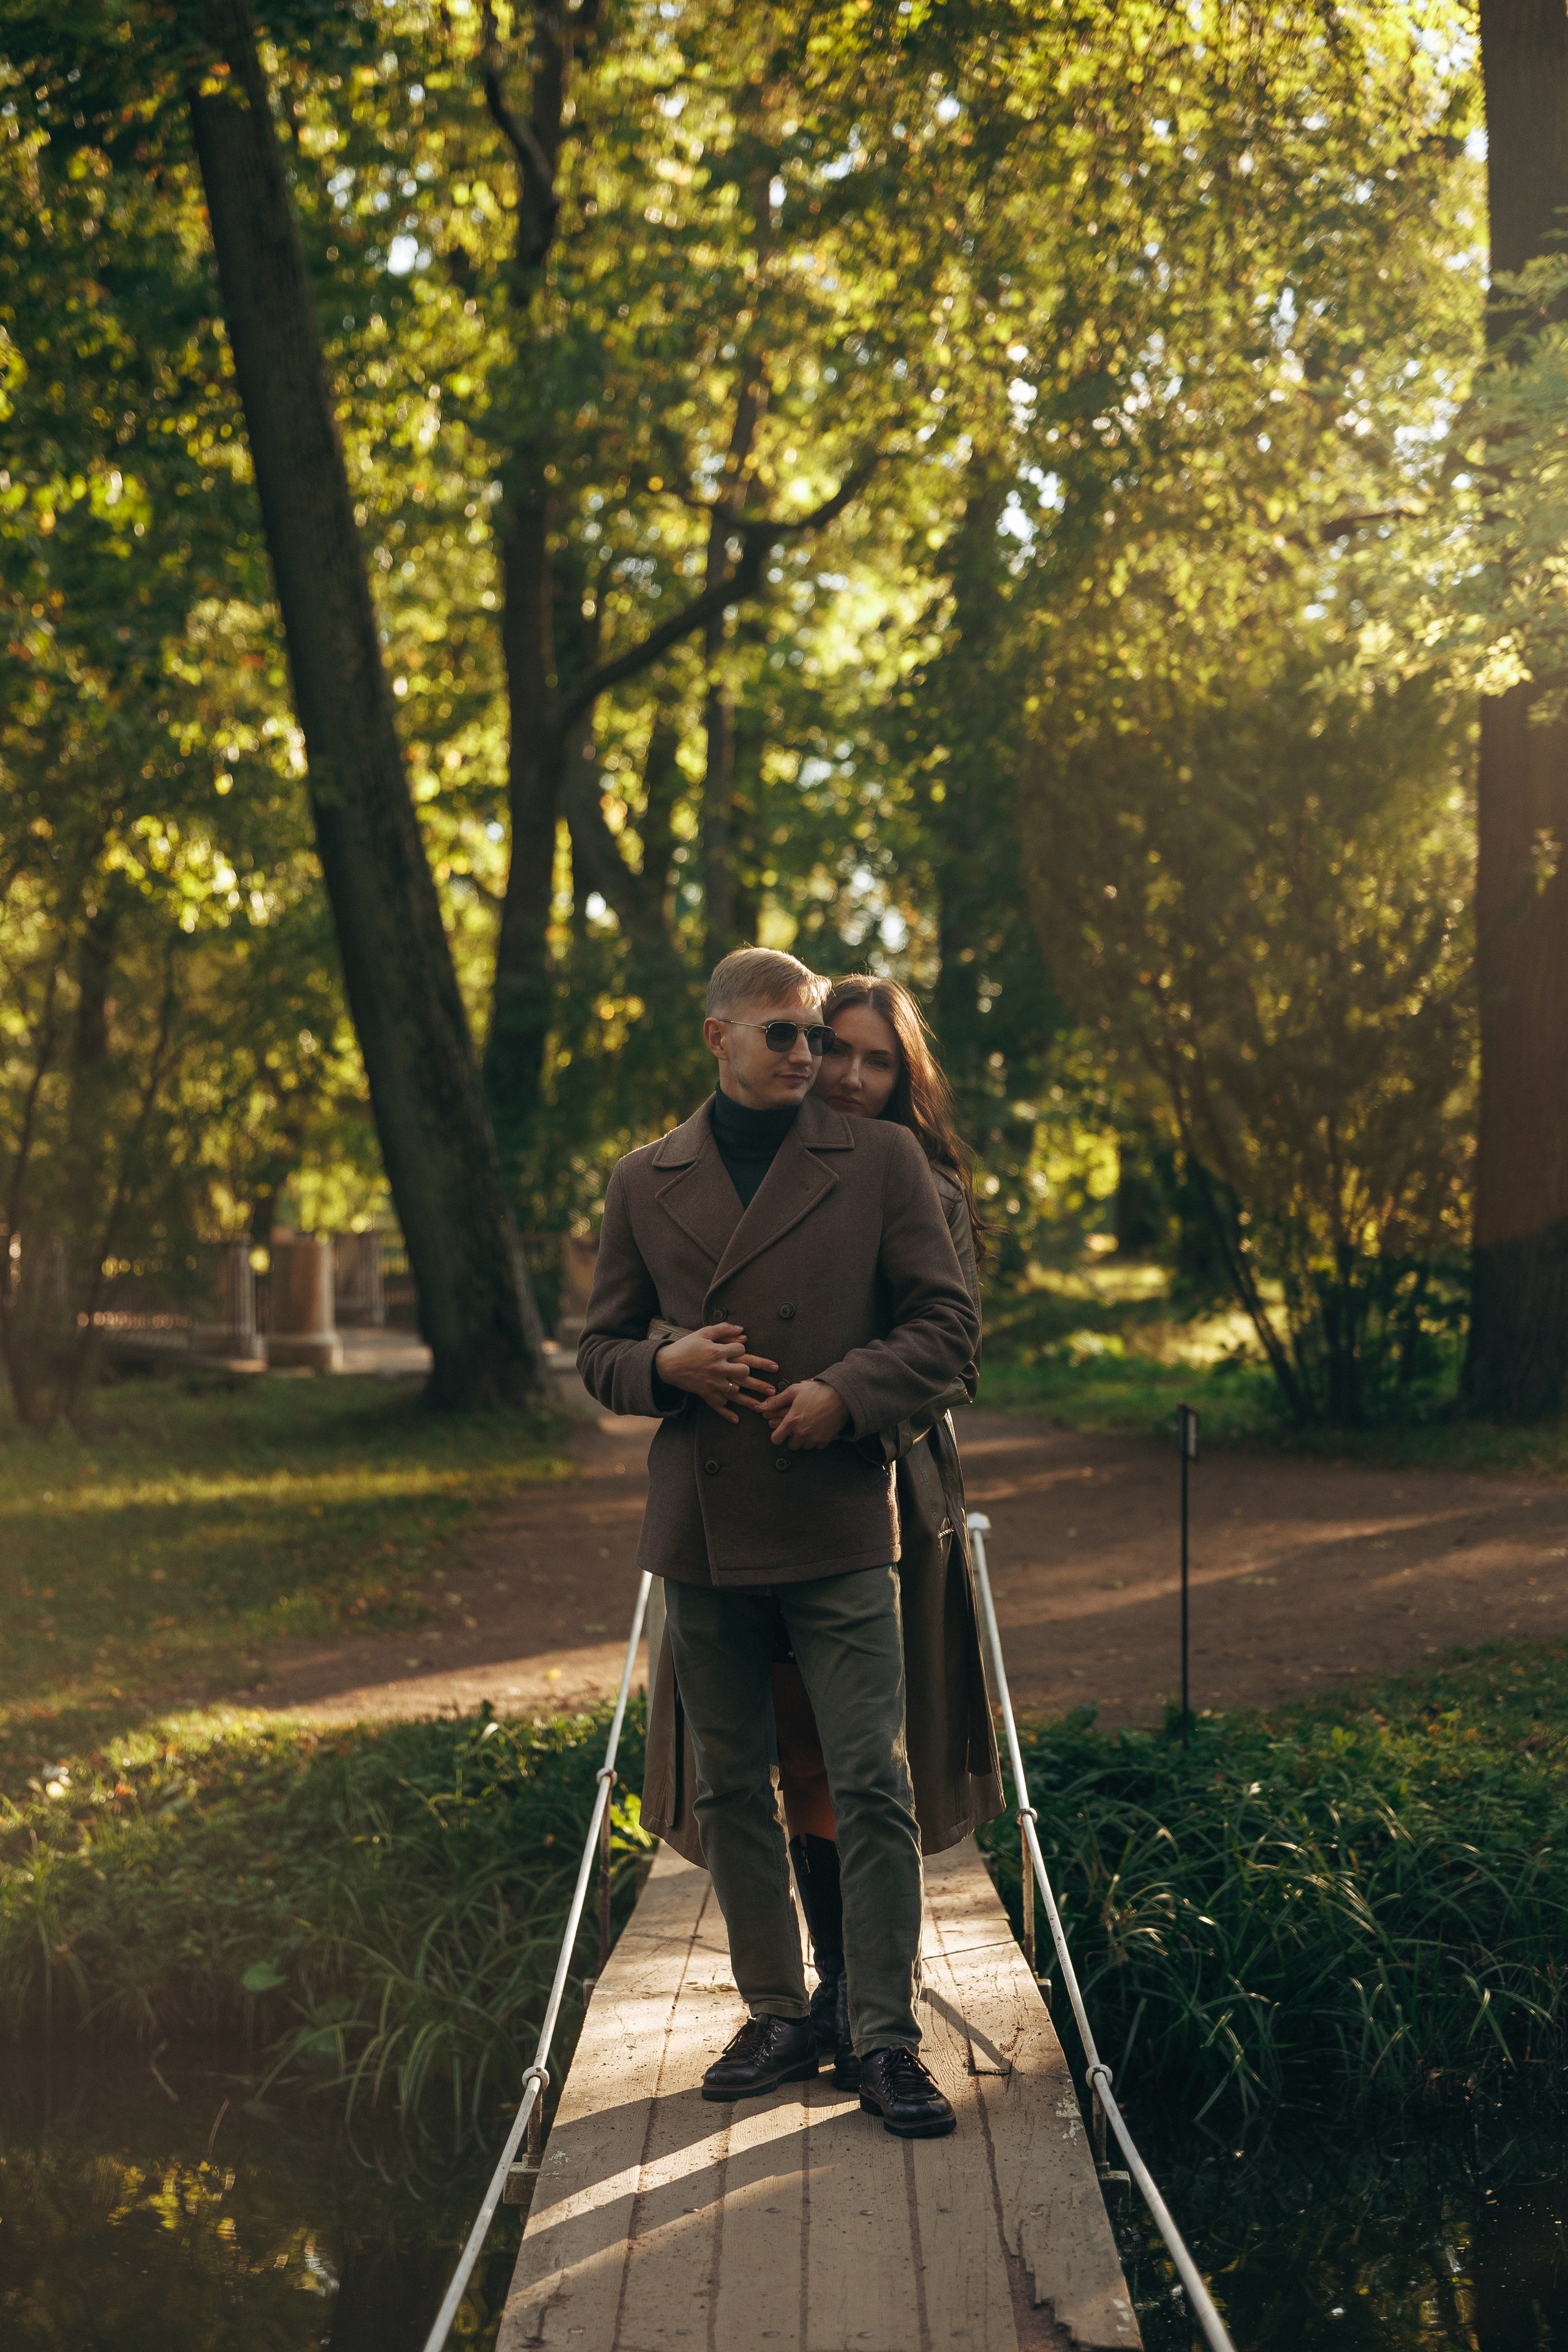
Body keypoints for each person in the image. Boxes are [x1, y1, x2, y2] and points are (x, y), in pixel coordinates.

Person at [578, 946, 979, 2138]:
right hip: (701, 1528)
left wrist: (844, 1395)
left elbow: (947, 1327)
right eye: (784, 1035)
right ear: (719, 1038)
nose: (809, 1056)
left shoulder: (878, 1160)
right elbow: (597, 1351)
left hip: (840, 1512)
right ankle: (776, 2013)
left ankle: (885, 2036)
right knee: (730, 1786)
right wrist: (665, 1365)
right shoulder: (644, 1178)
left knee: (870, 1779)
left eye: (817, 1035)